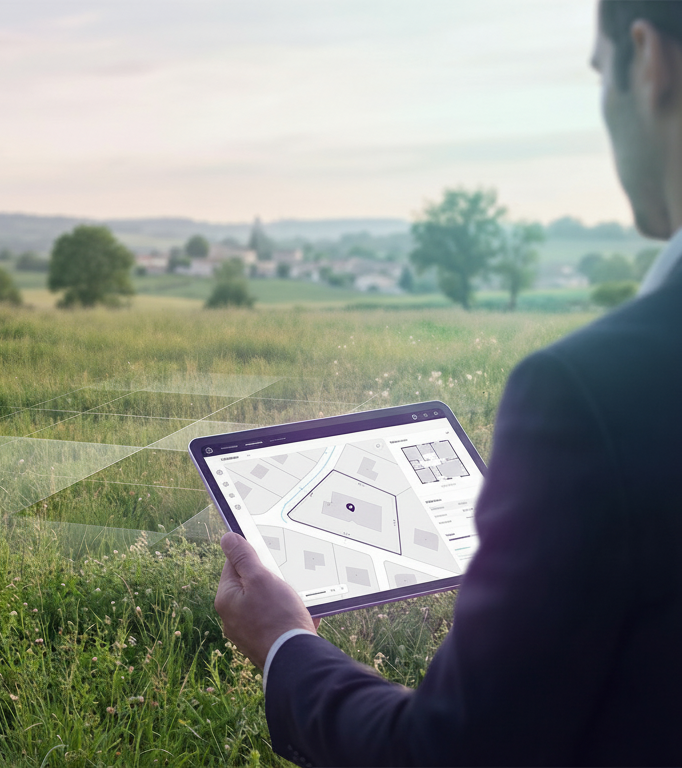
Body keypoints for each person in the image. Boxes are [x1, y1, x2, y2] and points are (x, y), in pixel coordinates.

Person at [214, 2, 682, 764]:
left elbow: (449, 752)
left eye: (602, 76)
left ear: (650, 61)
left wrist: (284, 644)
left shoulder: (590, 394)